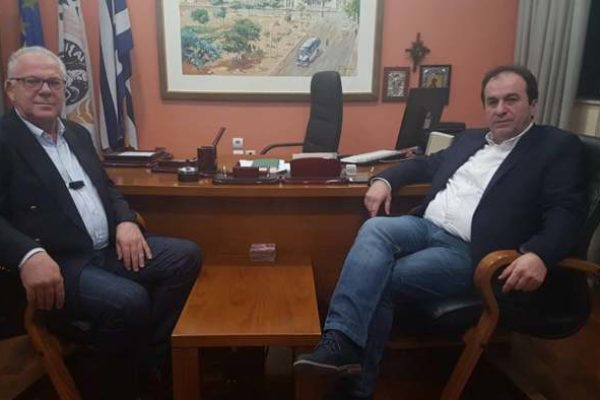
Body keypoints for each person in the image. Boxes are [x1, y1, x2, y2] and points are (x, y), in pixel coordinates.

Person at [293, 65, 586, 399]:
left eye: (511, 100)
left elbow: (567, 210)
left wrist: (540, 253)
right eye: (492, 102)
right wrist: (384, 180)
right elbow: (423, 164)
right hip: (426, 227)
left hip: (472, 252)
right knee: (375, 227)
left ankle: (354, 384)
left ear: (532, 105)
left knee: (379, 280)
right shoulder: (470, 140)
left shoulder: (555, 147)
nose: (500, 109)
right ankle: (339, 343)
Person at [0, 46, 202, 399]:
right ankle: (117, 388)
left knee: (185, 256)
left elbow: (106, 189)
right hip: (58, 264)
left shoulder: (76, 134)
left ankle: (150, 364)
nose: (45, 90)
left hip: (105, 250)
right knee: (129, 301)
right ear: (10, 89)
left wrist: (126, 222)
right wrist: (28, 254)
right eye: (32, 81)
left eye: (54, 82)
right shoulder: (4, 139)